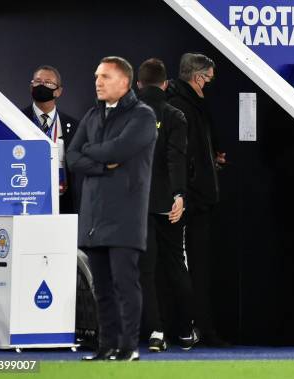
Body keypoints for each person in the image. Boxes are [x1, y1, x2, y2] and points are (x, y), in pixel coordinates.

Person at [67, 56, 157, 361]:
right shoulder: (92, 115)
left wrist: (91, 154)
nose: (97, 82)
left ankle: (128, 347)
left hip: (125, 216)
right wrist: (103, 165)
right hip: (93, 215)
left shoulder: (143, 116)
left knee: (124, 284)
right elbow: (72, 156)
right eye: (96, 76)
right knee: (100, 288)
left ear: (124, 82)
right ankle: (107, 346)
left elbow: (118, 149)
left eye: (105, 76)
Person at [166, 53, 228, 347]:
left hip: (200, 200)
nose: (210, 85)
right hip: (187, 202)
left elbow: (198, 151)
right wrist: (186, 192)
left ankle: (198, 326)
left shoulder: (195, 105)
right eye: (208, 79)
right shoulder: (179, 106)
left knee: (199, 268)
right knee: (186, 268)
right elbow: (179, 157)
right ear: (196, 77)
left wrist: (211, 159)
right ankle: (185, 328)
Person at [136, 58, 198, 351]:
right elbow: (176, 158)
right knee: (176, 265)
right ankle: (185, 331)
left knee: (146, 271)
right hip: (167, 203)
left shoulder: (125, 115)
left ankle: (156, 332)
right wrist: (178, 195)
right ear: (165, 84)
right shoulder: (175, 115)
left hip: (136, 205)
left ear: (138, 85)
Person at [21, 65, 80, 213]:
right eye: (38, 81)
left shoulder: (74, 125)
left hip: (64, 202)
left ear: (58, 91)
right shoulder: (18, 119)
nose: (42, 86)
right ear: (31, 87)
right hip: (27, 199)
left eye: (48, 83)